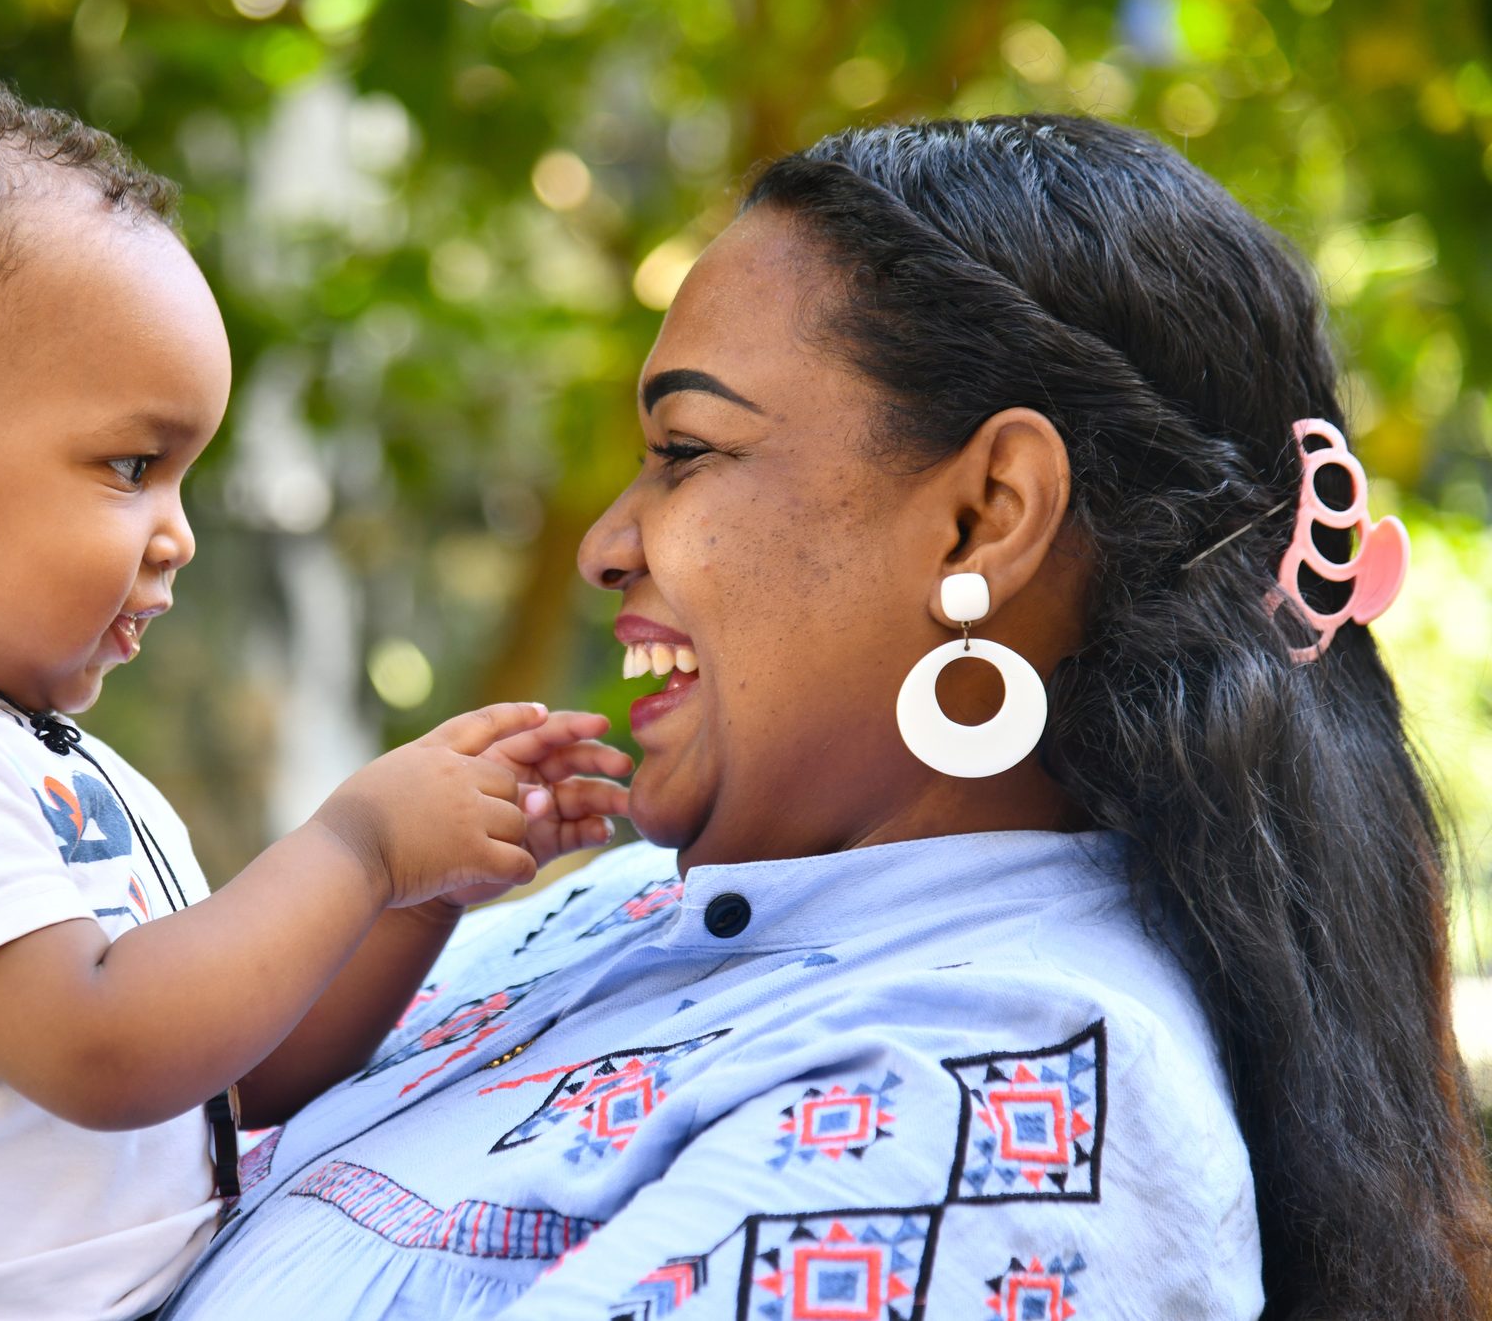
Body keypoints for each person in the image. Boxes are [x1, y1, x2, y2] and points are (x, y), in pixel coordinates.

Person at [161, 115, 1492, 1321]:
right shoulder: (602, 905)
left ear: (986, 514)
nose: (608, 543)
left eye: (687, 451)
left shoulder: (995, 1101)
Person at [0, 67, 628, 1321]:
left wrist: (425, 893)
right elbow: (108, 1051)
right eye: (129, 466)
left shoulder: (54, 765)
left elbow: (228, 1076)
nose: (179, 536)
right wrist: (359, 845)